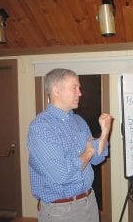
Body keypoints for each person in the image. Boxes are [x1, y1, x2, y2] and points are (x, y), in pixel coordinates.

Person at [27, 68, 112, 222]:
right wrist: (88, 152)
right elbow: (62, 174)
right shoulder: (41, 127)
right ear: (56, 90)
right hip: (61, 210)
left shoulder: (78, 121)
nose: (80, 93)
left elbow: (97, 158)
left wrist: (105, 132)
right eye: (75, 88)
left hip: (89, 201)